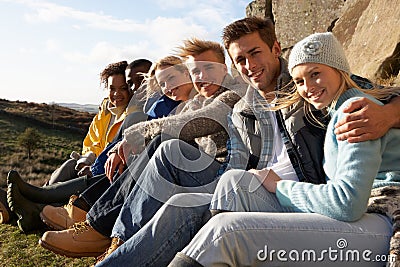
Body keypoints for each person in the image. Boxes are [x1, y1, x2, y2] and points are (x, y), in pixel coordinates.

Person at [95, 17, 400, 267]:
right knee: (190, 196)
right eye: (240, 59)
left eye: (255, 53)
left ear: (275, 48)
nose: (249, 65)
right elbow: (236, 161)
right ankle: (118, 246)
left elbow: (374, 94)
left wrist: (387, 115)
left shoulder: (309, 79)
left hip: (313, 193)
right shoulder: (244, 107)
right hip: (267, 192)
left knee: (198, 207)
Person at [38, 38, 244, 260]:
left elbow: (197, 123)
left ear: (225, 67)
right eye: (196, 71)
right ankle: (96, 225)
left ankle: (99, 228)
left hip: (222, 176)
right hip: (197, 171)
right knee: (156, 147)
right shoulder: (196, 101)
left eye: (209, 68)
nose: (202, 76)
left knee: (165, 146)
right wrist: (127, 145)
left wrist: (134, 136)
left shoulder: (233, 93)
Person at [4, 59, 152, 232]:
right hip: (94, 163)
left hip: (108, 170)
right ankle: (30, 205)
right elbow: (91, 142)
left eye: (123, 88)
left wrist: (93, 164)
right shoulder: (105, 112)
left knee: (82, 179)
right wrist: (86, 159)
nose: (116, 94)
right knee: (70, 165)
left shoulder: (133, 115)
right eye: (112, 88)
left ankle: (34, 209)